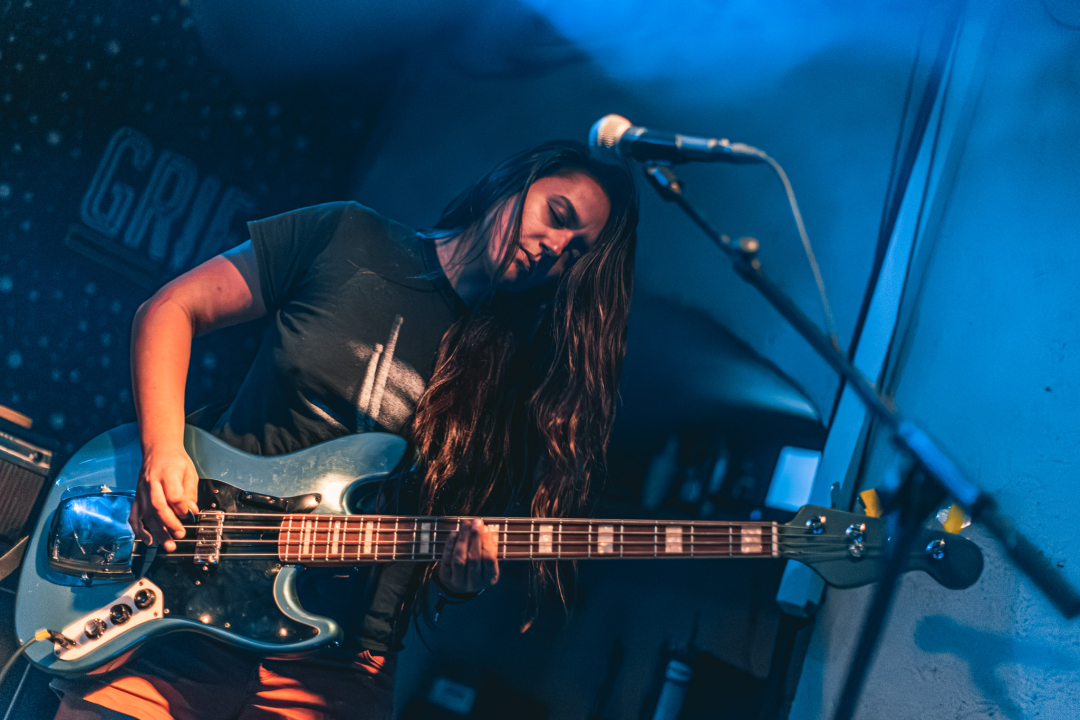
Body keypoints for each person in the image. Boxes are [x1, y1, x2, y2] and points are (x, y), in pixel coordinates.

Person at [52, 140, 638, 720]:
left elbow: (452, 532)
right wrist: (163, 448)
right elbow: (171, 309)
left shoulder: (519, 377)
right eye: (556, 217)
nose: (553, 248)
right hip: (187, 595)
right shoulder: (348, 235)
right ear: (511, 183)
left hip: (336, 665)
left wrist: (462, 577)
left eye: (574, 252)